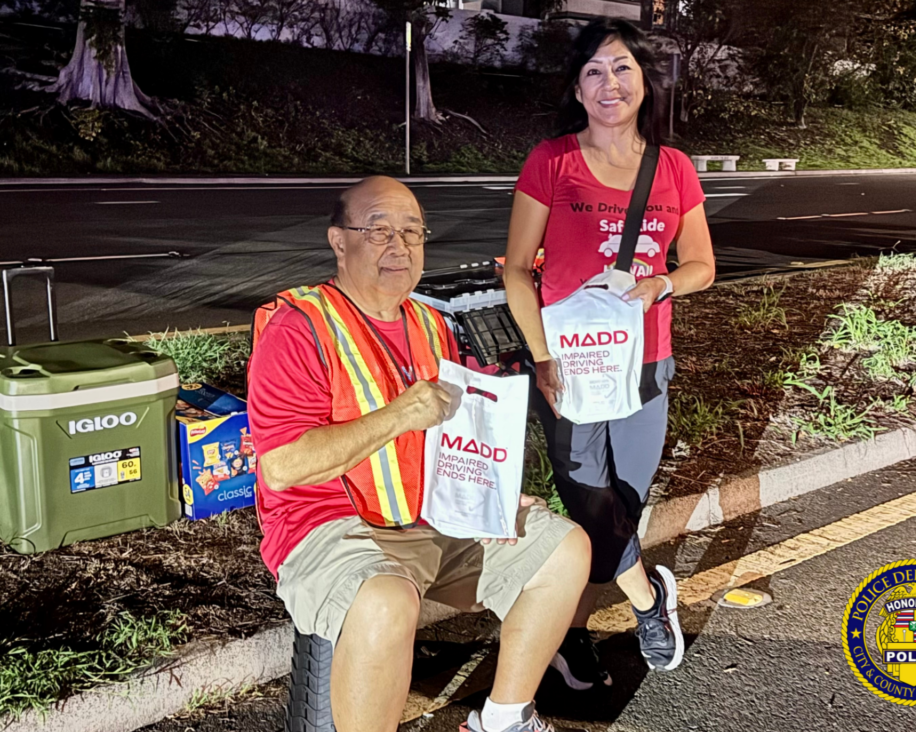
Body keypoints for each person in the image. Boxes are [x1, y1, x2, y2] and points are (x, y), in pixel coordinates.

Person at [247, 176, 591, 732]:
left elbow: (452, 435)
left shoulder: (431, 323)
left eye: (412, 232)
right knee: (386, 602)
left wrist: (493, 493)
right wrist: (400, 414)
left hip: (432, 518)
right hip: (329, 528)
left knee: (563, 548)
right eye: (378, 230)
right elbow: (282, 466)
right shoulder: (299, 326)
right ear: (339, 241)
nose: (399, 247)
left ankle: (503, 719)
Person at [503, 19, 715, 689]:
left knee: (621, 499)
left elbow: (703, 264)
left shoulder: (674, 168)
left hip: (646, 364)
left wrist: (663, 284)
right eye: (594, 71)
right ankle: (650, 601)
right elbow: (514, 271)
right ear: (577, 88)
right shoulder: (552, 160)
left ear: (644, 80)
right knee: (588, 496)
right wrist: (543, 358)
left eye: (621, 67)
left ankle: (570, 632)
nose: (610, 83)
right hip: (568, 363)